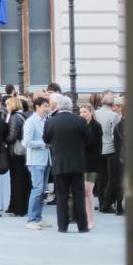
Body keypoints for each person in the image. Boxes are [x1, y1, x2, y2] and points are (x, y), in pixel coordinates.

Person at [43, 94, 89, 233]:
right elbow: (88, 138)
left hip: (60, 163)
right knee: (79, 196)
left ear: (58, 107)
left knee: (61, 196)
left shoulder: (51, 121)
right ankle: (82, 226)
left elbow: (46, 139)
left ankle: (62, 226)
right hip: (77, 164)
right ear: (71, 107)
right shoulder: (80, 120)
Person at [22, 96, 51, 229]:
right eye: (45, 106)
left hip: (46, 160)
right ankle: (31, 219)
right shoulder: (31, 121)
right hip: (35, 160)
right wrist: (43, 144)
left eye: (47, 106)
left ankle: (38, 217)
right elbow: (26, 142)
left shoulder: (46, 120)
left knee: (42, 190)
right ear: (37, 107)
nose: (47, 109)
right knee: (37, 189)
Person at [79, 102, 102, 230]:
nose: (82, 114)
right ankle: (87, 218)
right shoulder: (81, 125)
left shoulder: (96, 126)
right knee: (84, 191)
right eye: (81, 112)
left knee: (88, 191)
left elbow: (92, 144)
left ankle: (91, 219)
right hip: (81, 162)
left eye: (85, 112)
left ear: (91, 113)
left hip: (92, 163)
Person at [4, 96, 29, 216]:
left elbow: (12, 137)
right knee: (22, 180)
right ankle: (17, 206)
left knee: (17, 180)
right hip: (23, 153)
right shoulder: (23, 115)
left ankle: (18, 208)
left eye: (7, 105)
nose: (6, 107)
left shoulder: (14, 118)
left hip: (16, 152)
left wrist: (3, 139)